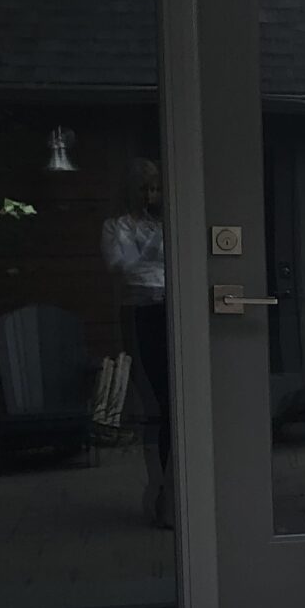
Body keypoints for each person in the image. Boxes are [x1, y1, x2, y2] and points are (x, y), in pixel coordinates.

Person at [103, 156, 171, 526]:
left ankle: (172, 488)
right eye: (144, 188)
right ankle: (159, 488)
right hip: (140, 310)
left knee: (175, 398)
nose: (150, 195)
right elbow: (120, 265)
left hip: (170, 307)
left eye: (155, 188)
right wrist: (151, 243)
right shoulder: (115, 227)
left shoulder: (164, 222)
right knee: (155, 398)